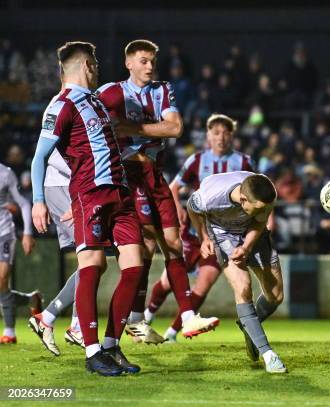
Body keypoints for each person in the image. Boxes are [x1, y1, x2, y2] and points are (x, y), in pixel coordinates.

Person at [30, 41, 144, 376]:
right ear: (86, 65)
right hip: (90, 194)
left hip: (120, 194)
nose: (98, 69)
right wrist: (39, 200)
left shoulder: (94, 102)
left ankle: (110, 345)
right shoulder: (62, 104)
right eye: (95, 63)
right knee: (91, 266)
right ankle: (93, 352)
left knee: (135, 268)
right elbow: (39, 157)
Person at [96, 39, 219, 344]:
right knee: (149, 244)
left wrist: (130, 128)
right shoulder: (110, 92)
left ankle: (183, 318)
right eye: (143, 61)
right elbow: (92, 125)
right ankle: (130, 320)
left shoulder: (163, 90)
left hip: (155, 174)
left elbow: (175, 128)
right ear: (129, 63)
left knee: (171, 242)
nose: (150, 66)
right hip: (130, 174)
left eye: (152, 61)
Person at [145, 113, 254, 342]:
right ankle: (146, 318)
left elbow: (257, 194)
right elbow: (173, 188)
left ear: (232, 136)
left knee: (204, 284)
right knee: (167, 282)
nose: (221, 137)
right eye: (216, 133)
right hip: (193, 233)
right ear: (208, 136)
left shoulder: (244, 162)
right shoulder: (196, 160)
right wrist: (178, 209)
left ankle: (172, 333)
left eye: (225, 133)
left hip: (221, 237)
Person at [187, 171, 287, 373]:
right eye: (256, 208)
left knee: (275, 296)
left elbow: (260, 221)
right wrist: (203, 237)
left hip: (253, 233)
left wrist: (247, 247)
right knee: (243, 288)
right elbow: (191, 207)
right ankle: (269, 355)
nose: (262, 211)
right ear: (242, 199)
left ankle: (249, 325)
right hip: (223, 233)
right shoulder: (209, 197)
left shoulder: (266, 193)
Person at [29, 148, 84, 356]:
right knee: (91, 257)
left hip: (79, 186)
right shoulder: (58, 113)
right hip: (62, 185)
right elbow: (39, 156)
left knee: (93, 260)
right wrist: (38, 200)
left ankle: (47, 318)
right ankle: (77, 326)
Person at [0, 163, 37, 344]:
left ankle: (9, 332)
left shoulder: (5, 173)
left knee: (1, 279)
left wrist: (28, 233)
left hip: (4, 233)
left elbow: (22, 202)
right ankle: (32, 299)